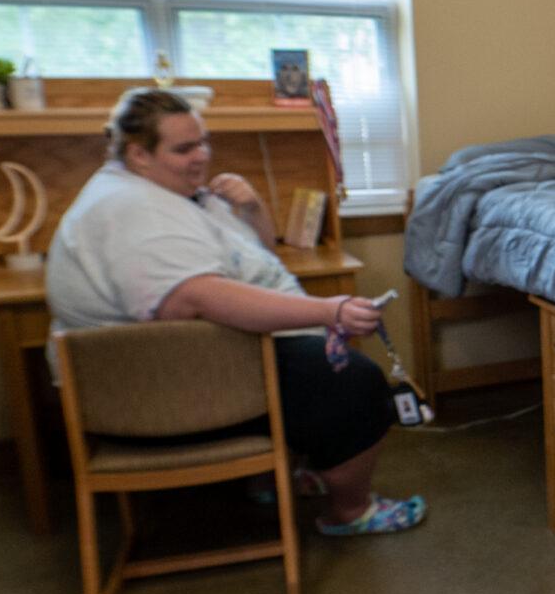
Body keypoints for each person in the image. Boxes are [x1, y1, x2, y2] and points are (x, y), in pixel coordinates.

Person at [46, 87, 425, 536]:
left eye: (203, 142)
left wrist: (251, 207)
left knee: (321, 368)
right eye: (184, 148)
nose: (201, 156)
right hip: (172, 392)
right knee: (355, 382)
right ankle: (350, 509)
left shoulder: (171, 194)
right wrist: (326, 310)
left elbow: (261, 257)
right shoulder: (131, 210)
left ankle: (280, 475)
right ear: (138, 153)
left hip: (200, 365)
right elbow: (194, 298)